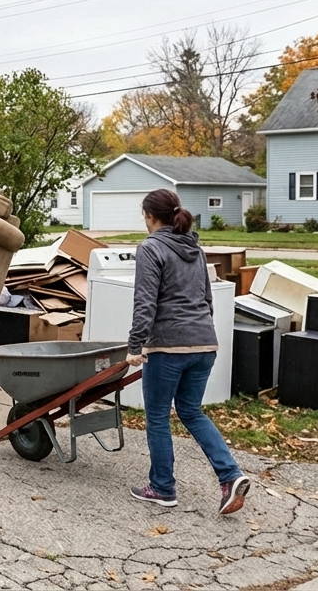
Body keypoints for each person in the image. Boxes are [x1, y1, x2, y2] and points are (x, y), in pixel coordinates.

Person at [127, 188, 251, 515]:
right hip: (204, 343)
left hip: (169, 345)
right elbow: (207, 299)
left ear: (150, 216)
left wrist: (135, 346)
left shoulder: (151, 248)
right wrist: (199, 333)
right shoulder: (194, 248)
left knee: (157, 416)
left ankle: (162, 487)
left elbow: (145, 303)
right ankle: (230, 476)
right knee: (191, 411)